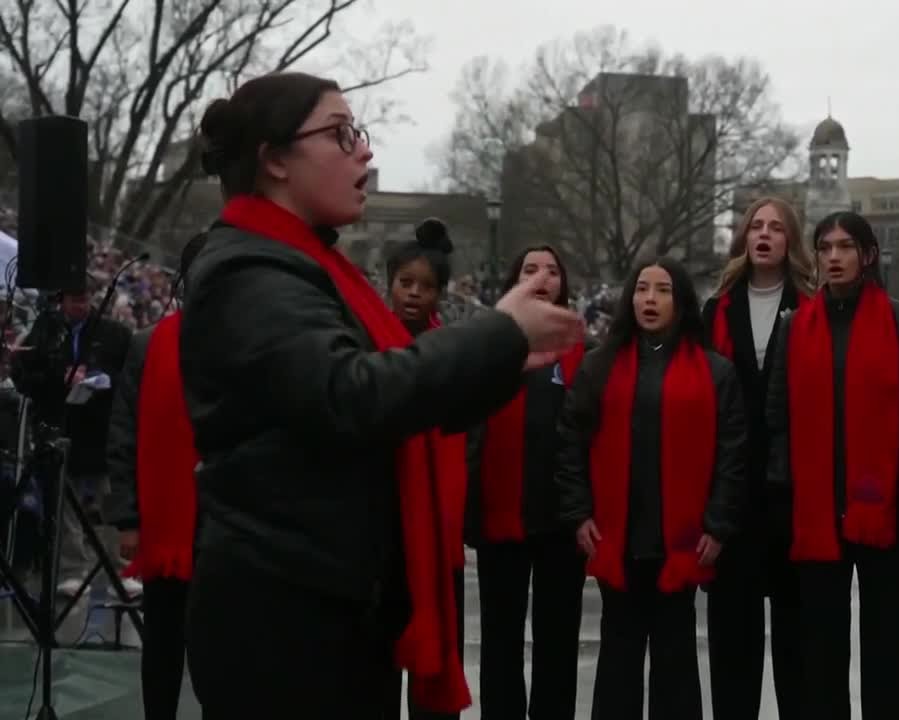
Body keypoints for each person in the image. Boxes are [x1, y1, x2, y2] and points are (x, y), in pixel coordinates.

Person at [179, 71, 583, 719]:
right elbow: (352, 395)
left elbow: (397, 399)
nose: (363, 150)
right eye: (340, 134)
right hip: (283, 627)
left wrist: (501, 356)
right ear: (275, 160)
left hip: (328, 610)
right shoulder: (248, 272)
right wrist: (498, 335)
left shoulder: (305, 266)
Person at [765, 211, 899, 720]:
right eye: (825, 247)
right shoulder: (796, 326)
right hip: (815, 509)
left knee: (887, 639)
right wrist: (781, 490)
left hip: (881, 505)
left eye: (845, 247)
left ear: (868, 255)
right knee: (820, 643)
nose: (834, 257)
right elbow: (779, 416)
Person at [557, 256, 746, 720]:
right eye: (642, 289)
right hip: (615, 536)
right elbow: (570, 444)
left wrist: (718, 525)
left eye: (662, 291)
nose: (650, 300)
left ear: (681, 303)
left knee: (675, 659)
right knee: (618, 656)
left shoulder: (715, 372)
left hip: (681, 540)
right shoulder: (600, 366)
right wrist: (578, 513)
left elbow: (732, 455)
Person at [700, 196, 812, 720]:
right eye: (755, 227)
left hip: (793, 493)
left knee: (796, 637)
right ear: (743, 238)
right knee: (733, 636)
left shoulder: (812, 305)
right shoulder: (717, 309)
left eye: (776, 228)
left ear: (791, 240)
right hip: (734, 492)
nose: (764, 235)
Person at [468, 245, 588, 720]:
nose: (543, 277)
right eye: (530, 269)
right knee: (501, 639)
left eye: (553, 270)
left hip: (562, 519)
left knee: (558, 640)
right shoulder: (489, 347)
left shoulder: (580, 349)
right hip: (502, 514)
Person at [104, 232, 208, 720]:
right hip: (165, 530)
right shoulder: (149, 346)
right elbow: (124, 434)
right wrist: (128, 518)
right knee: (163, 649)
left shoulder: (254, 343)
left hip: (229, 531)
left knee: (221, 659)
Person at [382, 219, 470, 720]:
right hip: (381, 528)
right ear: (390, 282)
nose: (414, 294)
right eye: (406, 283)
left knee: (434, 670)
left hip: (436, 531)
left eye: (426, 286)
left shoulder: (451, 353)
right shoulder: (362, 342)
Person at [11, 287, 137, 598]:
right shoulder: (45, 331)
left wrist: (102, 379)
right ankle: (73, 571)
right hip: (60, 426)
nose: (81, 305)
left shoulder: (115, 333)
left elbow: (131, 376)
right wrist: (60, 376)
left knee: (112, 504)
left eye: (85, 298)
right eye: (74, 299)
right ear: (62, 301)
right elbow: (23, 376)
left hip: (102, 430)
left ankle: (123, 569)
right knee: (67, 507)